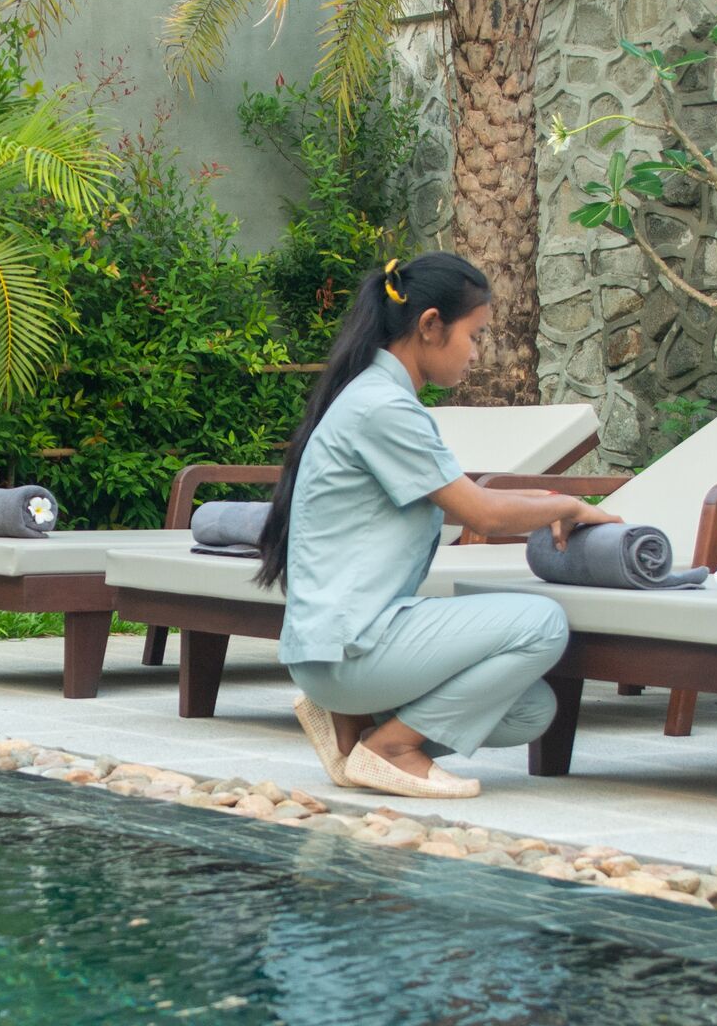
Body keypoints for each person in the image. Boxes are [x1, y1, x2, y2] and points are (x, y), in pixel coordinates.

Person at [254, 252, 614, 800]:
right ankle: (392, 748)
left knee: (529, 710)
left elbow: (456, 498)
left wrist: (546, 502)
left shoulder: (373, 398)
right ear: (429, 325)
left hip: (342, 651)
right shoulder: (384, 408)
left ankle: (353, 726)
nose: (476, 353)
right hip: (350, 651)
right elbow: (481, 513)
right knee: (541, 624)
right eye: (474, 335)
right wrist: (566, 506)